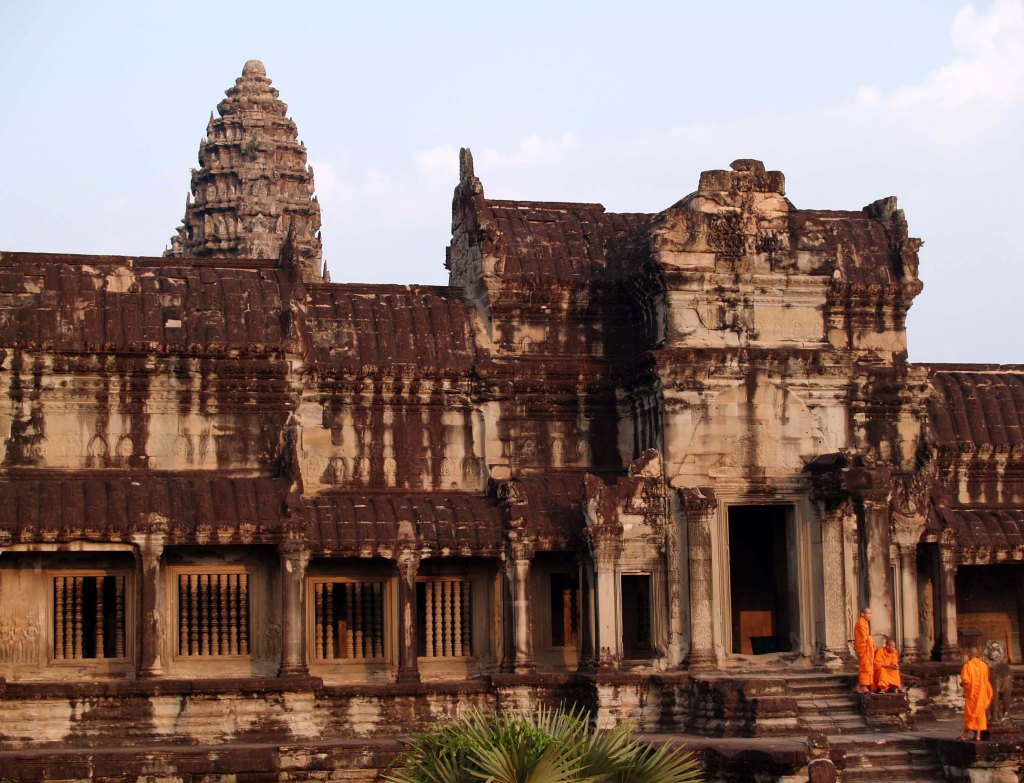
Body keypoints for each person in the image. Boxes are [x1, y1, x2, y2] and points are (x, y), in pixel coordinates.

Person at [960, 646, 994, 741]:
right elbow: (986, 679)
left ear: (969, 654)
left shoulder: (967, 665)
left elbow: (966, 681)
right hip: (982, 694)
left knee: (970, 714)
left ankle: (965, 734)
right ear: (977, 654)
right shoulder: (984, 666)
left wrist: (962, 684)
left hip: (972, 694)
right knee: (980, 714)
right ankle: (978, 735)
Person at [854, 607, 874, 694]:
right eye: (868, 613)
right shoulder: (861, 622)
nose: (870, 615)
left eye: (870, 613)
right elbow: (864, 637)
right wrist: (871, 639)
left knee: (867, 666)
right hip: (863, 648)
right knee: (865, 667)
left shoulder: (865, 622)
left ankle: (865, 686)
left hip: (866, 648)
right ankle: (863, 687)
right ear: (862, 614)